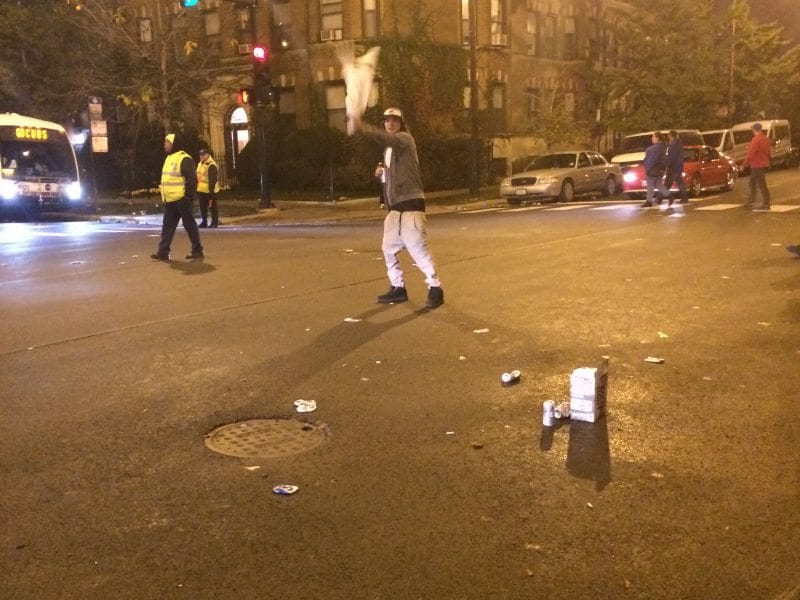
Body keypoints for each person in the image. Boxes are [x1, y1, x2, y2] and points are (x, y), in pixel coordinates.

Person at [348, 107, 444, 309]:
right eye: (387, 120)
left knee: (417, 248)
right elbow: (392, 177)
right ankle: (398, 287)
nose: (390, 123)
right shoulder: (388, 151)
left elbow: (386, 138)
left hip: (411, 203)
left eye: (394, 120)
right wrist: (381, 174)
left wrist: (362, 126)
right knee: (388, 248)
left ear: (401, 123)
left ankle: (435, 288)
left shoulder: (405, 139)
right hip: (394, 208)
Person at [151, 133, 204, 261]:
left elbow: (191, 179)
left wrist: (187, 197)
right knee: (167, 226)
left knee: (189, 225)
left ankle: (197, 250)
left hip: (181, 199)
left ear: (174, 144)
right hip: (170, 200)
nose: (165, 144)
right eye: (165, 142)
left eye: (167, 142)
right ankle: (163, 252)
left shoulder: (183, 158)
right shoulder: (169, 158)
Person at [742, 122, 771, 211]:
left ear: (754, 130)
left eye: (752, 129)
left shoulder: (756, 139)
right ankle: (751, 201)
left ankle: (765, 204)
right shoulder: (765, 139)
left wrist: (744, 165)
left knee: (760, 184)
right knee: (753, 183)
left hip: (756, 165)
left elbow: (751, 153)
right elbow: (769, 152)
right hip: (763, 164)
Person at [641, 131, 669, 208]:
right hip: (660, 169)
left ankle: (649, 201)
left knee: (650, 185)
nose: (652, 138)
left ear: (657, 138)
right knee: (658, 184)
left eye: (653, 137)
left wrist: (647, 168)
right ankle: (669, 196)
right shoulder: (664, 147)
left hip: (652, 169)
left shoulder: (652, 149)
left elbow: (650, 160)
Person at [663, 130, 689, 206]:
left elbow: (671, 157)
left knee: (667, 184)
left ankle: (660, 198)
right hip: (678, 166)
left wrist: (667, 164)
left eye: (668, 135)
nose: (668, 136)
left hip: (673, 167)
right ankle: (684, 198)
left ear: (671, 135)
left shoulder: (673, 145)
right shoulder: (678, 144)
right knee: (680, 183)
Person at [197, 148, 220, 228]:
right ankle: (204, 222)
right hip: (201, 190)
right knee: (202, 207)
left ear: (208, 155)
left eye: (203, 155)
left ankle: (214, 222)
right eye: (200, 155)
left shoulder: (211, 165)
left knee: (212, 207)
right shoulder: (200, 164)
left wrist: (211, 191)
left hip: (210, 190)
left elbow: (212, 179)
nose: (202, 156)